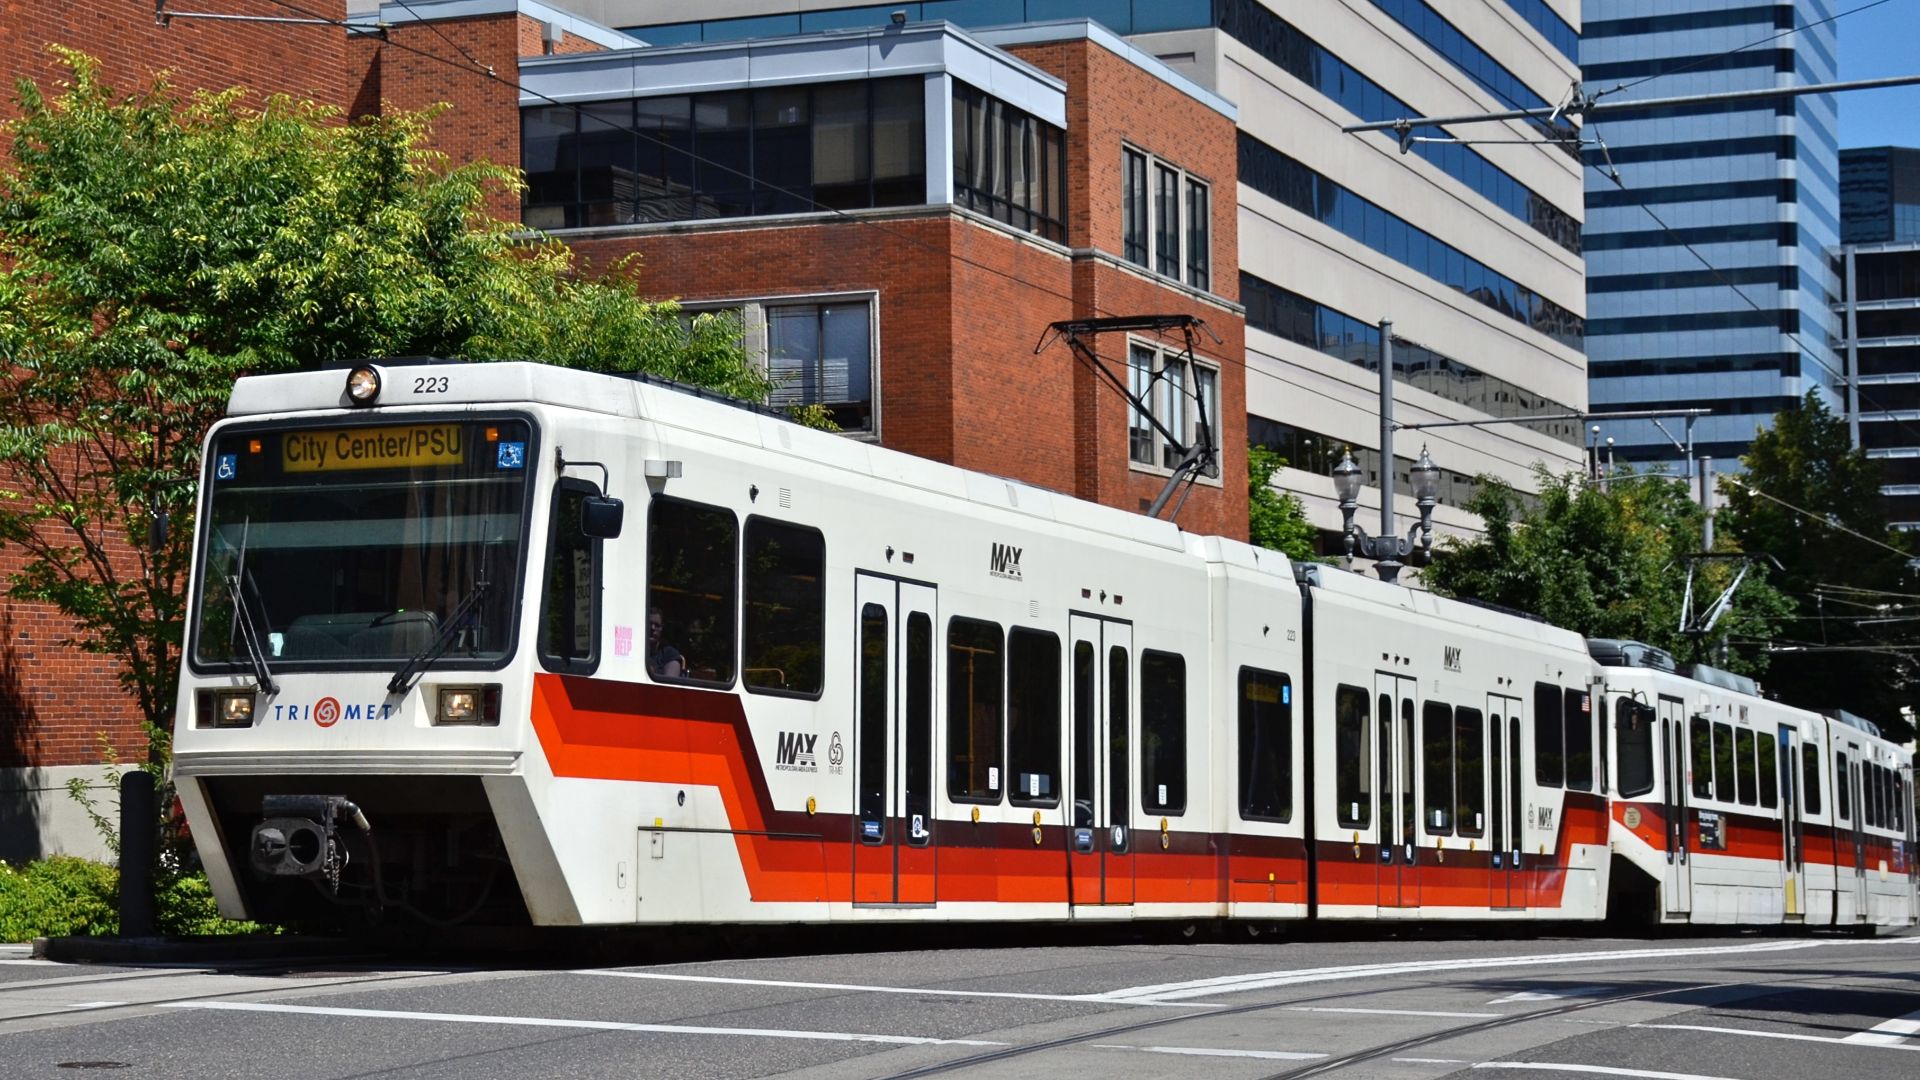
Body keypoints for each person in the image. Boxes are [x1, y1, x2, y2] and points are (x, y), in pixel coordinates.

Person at [647, 609, 684, 678]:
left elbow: (669, 683)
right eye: (649, 624)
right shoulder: (634, 650)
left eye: (657, 625)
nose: (652, 628)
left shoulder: (670, 654)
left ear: (662, 628)